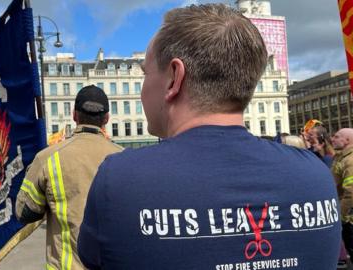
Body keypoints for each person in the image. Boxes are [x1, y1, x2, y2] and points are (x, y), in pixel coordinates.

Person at [78, 4, 341, 269]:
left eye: (146, 73)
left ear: (174, 78)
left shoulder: (120, 179)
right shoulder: (317, 177)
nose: (142, 89)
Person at [15, 85, 123, 270]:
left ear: (74, 115)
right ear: (106, 118)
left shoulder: (47, 158)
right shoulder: (123, 157)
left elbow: (24, 212)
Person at [332, 129, 353, 258]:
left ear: (347, 140)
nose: (332, 139)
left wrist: (342, 217)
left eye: (337, 136)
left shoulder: (350, 161)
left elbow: (351, 192)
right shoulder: (341, 157)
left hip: (349, 220)